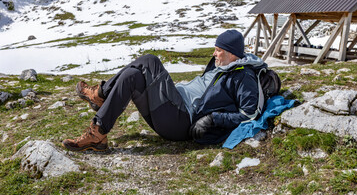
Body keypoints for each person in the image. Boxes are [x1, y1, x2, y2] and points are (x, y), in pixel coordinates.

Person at [62, 30, 267, 151]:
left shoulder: (244, 77)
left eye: (218, 50)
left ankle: (100, 94)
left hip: (182, 119)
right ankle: (98, 134)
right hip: (172, 108)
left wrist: (213, 119)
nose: (214, 54)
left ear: (232, 54)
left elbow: (249, 114)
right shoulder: (222, 65)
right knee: (132, 76)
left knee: (149, 60)